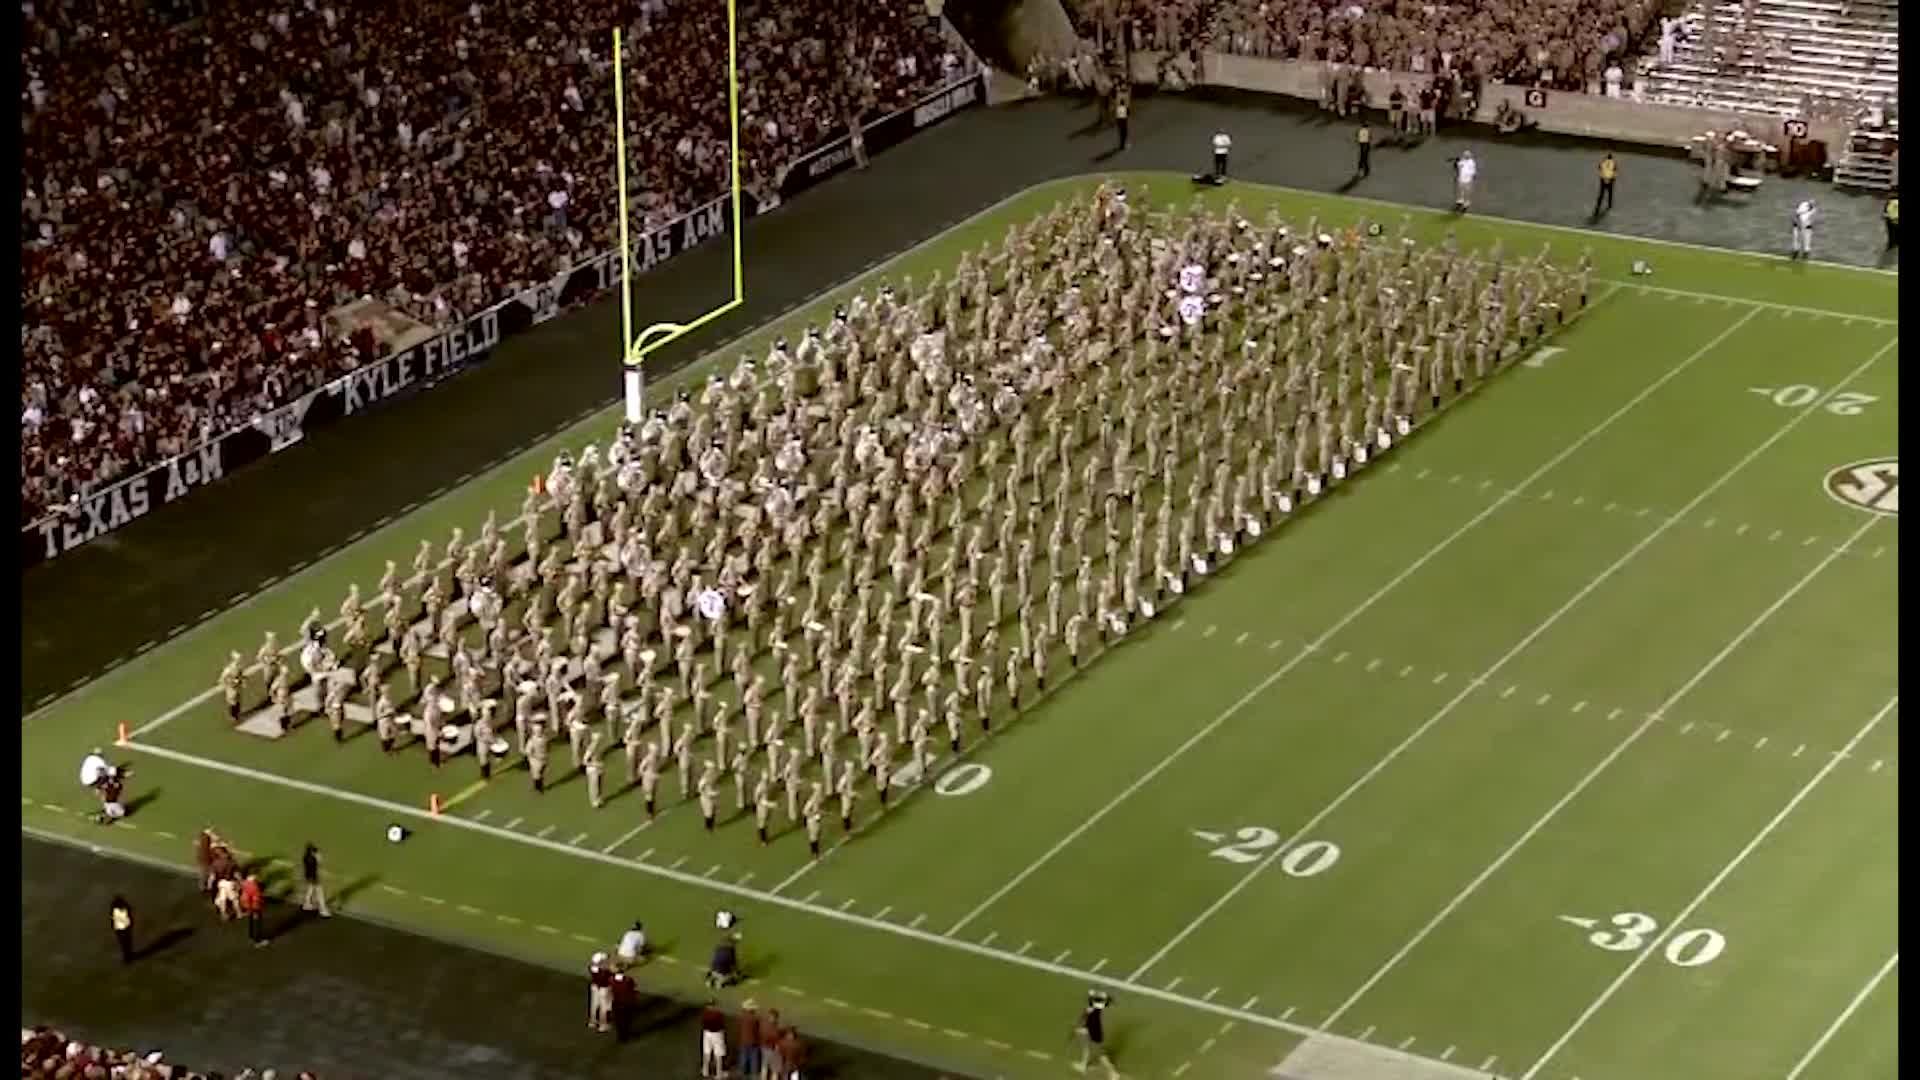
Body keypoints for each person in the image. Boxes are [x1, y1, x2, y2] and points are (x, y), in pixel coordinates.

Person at [1075, 991, 1117, 1077]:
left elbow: (1089, 1021)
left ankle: (1113, 1073)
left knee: (1100, 1054)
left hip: (1094, 1032)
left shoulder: (1094, 1007)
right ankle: (1083, 1066)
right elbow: (1086, 1018)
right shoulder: (1094, 1006)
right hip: (1092, 1031)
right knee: (1086, 1048)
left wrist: (1083, 1029)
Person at [299, 843, 331, 918]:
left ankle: (306, 904)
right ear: (311, 851)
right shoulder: (313, 859)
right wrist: (317, 855)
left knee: (310, 888)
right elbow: (319, 861)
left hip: (308, 876)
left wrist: (316, 855)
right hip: (313, 877)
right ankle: (323, 910)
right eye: (313, 850)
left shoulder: (305, 856)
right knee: (320, 892)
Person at [699, 999, 727, 1078]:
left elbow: (702, 1024)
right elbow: (722, 1024)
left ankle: (705, 1071)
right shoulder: (718, 1013)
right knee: (718, 1054)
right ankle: (718, 1074)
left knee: (706, 1052)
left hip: (707, 1034)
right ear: (714, 1005)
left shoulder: (705, 1013)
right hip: (717, 1034)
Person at [239, 873, 268, 947]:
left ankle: (251, 936)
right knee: (257, 924)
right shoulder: (254, 887)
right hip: (254, 907)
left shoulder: (244, 883)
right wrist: (256, 908)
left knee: (251, 922)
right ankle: (258, 941)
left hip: (247, 906)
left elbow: (244, 897)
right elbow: (256, 899)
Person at [738, 1002, 763, 1080]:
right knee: (753, 1058)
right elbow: (758, 1030)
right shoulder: (755, 1019)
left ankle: (742, 1072)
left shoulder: (743, 1017)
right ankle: (754, 1074)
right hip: (753, 1041)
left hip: (744, 1040)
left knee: (743, 1056)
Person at [110, 895, 134, 965]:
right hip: (124, 928)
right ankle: (128, 956)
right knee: (126, 943)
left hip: (122, 929)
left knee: (125, 944)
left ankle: (128, 956)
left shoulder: (115, 909)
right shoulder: (124, 907)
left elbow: (112, 919)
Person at [1594, 153, 1617, 217]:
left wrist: (1602, 177)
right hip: (1610, 179)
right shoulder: (1614, 163)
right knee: (1610, 193)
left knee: (1601, 194)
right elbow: (1615, 172)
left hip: (1603, 179)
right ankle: (1609, 205)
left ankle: (1598, 206)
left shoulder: (1603, 162)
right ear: (1612, 158)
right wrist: (1612, 179)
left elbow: (1599, 168)